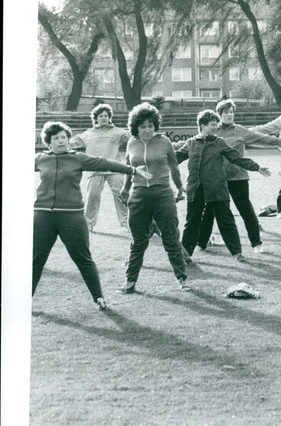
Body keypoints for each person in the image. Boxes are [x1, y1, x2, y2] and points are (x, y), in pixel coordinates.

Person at [34, 121, 151, 310]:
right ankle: (25, 302)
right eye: (56, 138)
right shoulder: (40, 159)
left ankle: (99, 297)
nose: (62, 141)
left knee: (83, 258)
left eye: (64, 137)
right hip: (43, 216)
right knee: (36, 260)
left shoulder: (77, 158)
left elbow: (104, 162)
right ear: (49, 142)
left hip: (71, 216)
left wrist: (132, 170)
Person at [175, 110, 271, 262]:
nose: (215, 127)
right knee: (192, 222)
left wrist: (256, 167)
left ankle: (237, 253)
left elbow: (236, 158)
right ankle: (185, 256)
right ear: (202, 125)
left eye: (216, 124)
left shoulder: (219, 142)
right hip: (195, 188)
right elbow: (175, 158)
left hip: (217, 188)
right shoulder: (191, 143)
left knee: (226, 221)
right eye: (212, 124)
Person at [195, 99, 281, 253]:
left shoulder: (240, 130)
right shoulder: (212, 130)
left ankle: (256, 243)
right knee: (210, 210)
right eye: (226, 112)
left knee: (245, 209)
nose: (229, 115)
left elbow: (261, 138)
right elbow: (195, 143)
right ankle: (201, 243)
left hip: (238, 176)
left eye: (231, 112)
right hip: (217, 178)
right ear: (219, 114)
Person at [119, 103, 191, 293]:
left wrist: (179, 187)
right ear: (136, 127)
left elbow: (174, 167)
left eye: (151, 125)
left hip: (162, 194)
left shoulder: (165, 141)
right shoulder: (131, 143)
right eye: (143, 126)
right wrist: (126, 189)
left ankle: (182, 279)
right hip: (139, 194)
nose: (147, 130)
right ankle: (130, 281)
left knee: (170, 237)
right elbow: (129, 168)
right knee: (138, 241)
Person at [68, 102, 131, 233]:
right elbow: (71, 143)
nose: (103, 118)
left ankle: (127, 223)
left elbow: (133, 136)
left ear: (109, 117)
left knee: (121, 195)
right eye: (101, 116)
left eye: (106, 116)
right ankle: (89, 224)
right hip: (95, 169)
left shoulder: (118, 132)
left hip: (114, 168)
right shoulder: (88, 134)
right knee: (93, 197)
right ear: (95, 118)